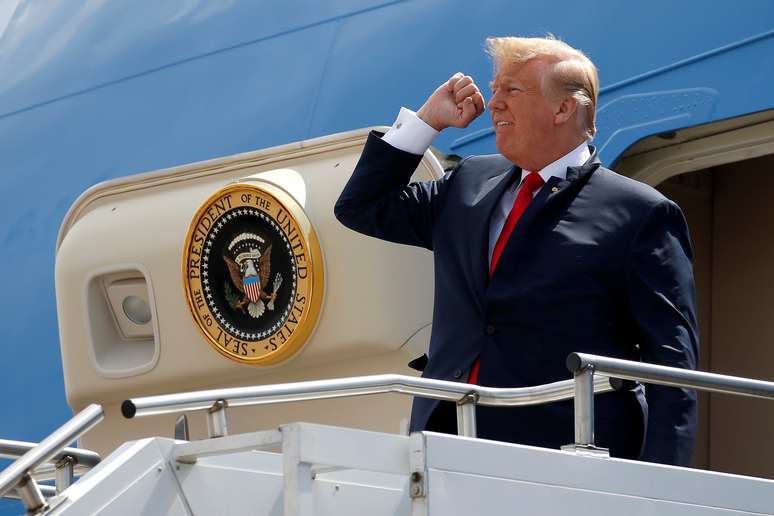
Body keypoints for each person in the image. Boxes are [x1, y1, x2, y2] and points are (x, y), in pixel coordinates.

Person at [334, 35, 698, 466]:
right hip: (446, 443)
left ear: (564, 108)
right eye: (494, 89)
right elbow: (360, 207)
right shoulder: (467, 183)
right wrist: (426, 122)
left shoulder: (641, 213)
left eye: (512, 90)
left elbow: (672, 371)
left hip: (567, 459)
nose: (493, 104)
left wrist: (661, 489)